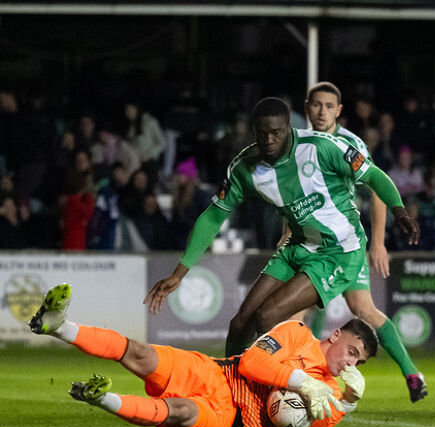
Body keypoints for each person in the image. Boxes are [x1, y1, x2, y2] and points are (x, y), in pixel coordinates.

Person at [144, 97, 418, 364]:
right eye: (262, 134)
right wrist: (180, 273)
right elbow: (214, 217)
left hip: (338, 250)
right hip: (298, 245)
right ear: (254, 132)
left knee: (268, 316)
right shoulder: (245, 167)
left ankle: (301, 377)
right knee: (240, 322)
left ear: (289, 128)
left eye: (276, 132)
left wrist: (399, 210)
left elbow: (374, 175)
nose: (269, 140)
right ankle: (228, 386)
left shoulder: (322, 147)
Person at [29, 284, 372, 427]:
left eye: (359, 363)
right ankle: (59, 326)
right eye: (353, 352)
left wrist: (348, 402)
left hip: (231, 419)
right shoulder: (297, 334)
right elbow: (252, 362)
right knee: (140, 353)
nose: (350, 365)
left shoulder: (328, 390)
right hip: (214, 373)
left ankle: (101, 397)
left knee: (181, 411)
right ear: (336, 335)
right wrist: (301, 381)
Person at [295, 81, 428, 402]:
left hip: (342, 243)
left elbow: (376, 186)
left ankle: (298, 375)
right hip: (312, 239)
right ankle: (412, 373)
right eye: (317, 105)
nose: (322, 111)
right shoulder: (298, 144)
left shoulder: (349, 144)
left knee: (304, 308)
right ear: (307, 107)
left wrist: (378, 242)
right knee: (359, 308)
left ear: (339, 111)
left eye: (329, 106)